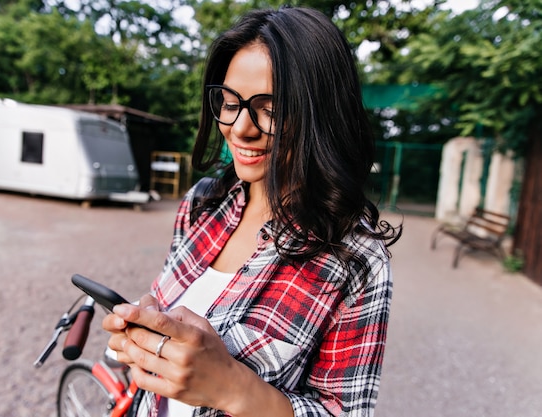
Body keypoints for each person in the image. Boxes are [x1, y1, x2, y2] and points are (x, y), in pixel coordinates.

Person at [103, 6, 401, 417]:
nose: (240, 127)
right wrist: (151, 330)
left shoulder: (356, 258)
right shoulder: (204, 202)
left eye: (272, 109)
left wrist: (233, 386)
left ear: (323, 114)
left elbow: (344, 412)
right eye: (228, 102)